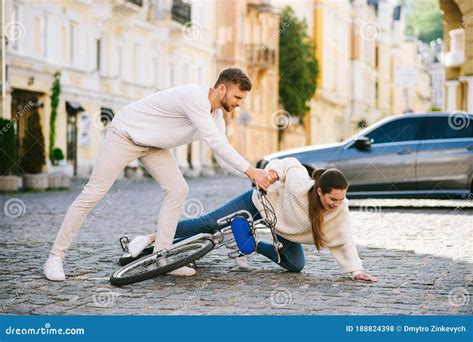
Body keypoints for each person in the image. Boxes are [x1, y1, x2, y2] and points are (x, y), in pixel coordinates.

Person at [44, 67, 277, 281]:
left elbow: (222, 158)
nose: (239, 104)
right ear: (222, 88)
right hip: (124, 135)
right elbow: (216, 143)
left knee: (178, 189)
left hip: (154, 146)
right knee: (94, 193)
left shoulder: (216, 117)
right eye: (237, 97)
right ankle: (55, 257)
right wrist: (251, 170)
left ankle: (162, 257)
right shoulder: (194, 98)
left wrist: (252, 176)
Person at [128, 158, 378, 282]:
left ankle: (249, 243)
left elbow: (345, 238)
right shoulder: (302, 185)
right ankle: (150, 238)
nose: (337, 203)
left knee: (296, 265)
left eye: (341, 199)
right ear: (319, 190)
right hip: (261, 203)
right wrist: (272, 173)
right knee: (209, 223)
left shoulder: (339, 209)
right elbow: (289, 164)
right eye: (333, 199)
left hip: (284, 228)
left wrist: (356, 270)